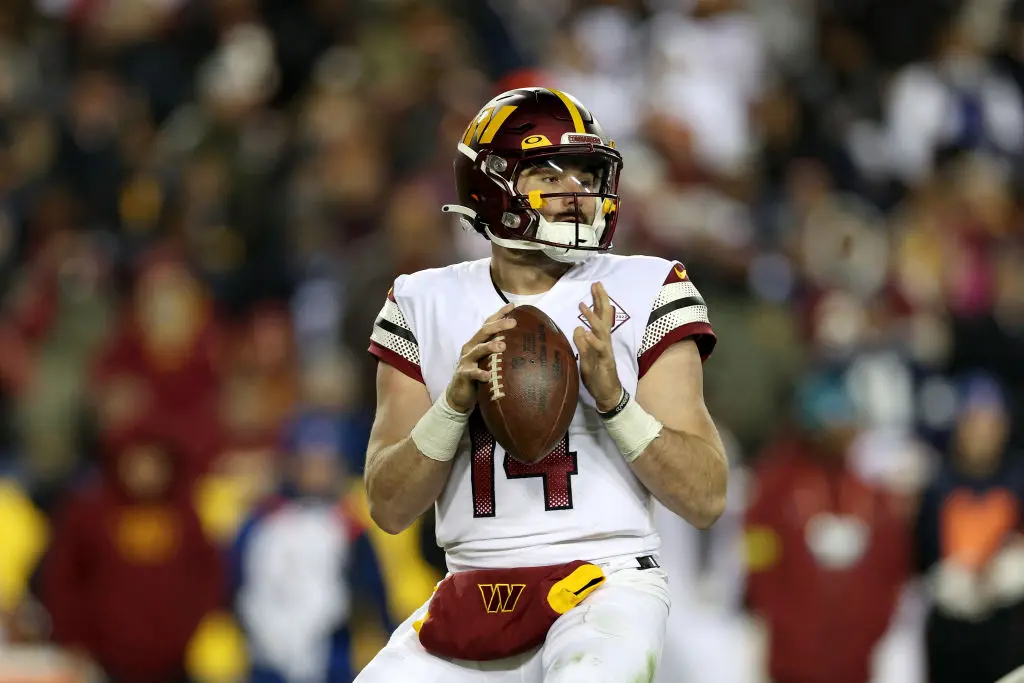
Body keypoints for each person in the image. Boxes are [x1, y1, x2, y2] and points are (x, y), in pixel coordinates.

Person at [356, 87, 728, 683]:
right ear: (492, 183)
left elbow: (706, 497)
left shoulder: (645, 288)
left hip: (603, 583)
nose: (577, 195)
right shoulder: (422, 301)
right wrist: (451, 407)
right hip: (470, 588)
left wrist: (613, 400)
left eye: (587, 175)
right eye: (550, 175)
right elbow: (389, 506)